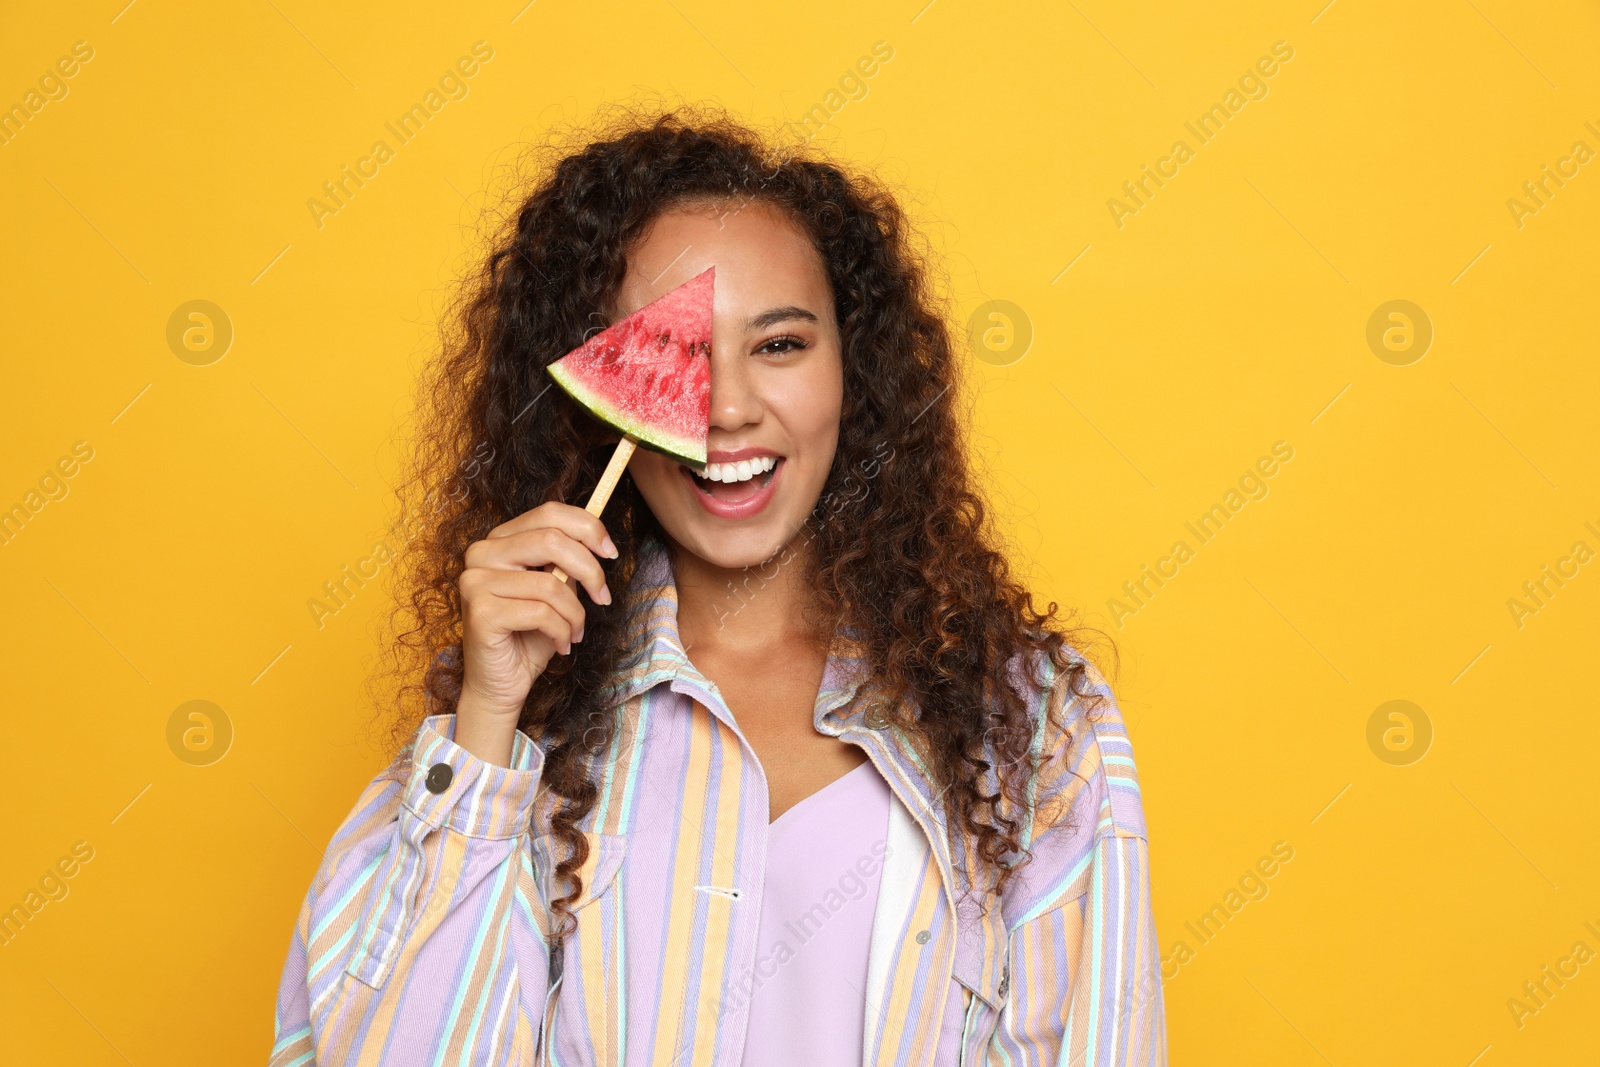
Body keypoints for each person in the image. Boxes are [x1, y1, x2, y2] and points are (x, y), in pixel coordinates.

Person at [268, 105, 1167, 1066]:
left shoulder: (1026, 719)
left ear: (853, 375)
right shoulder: (530, 718)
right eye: (673, 356)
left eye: (779, 345)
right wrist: (490, 719)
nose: (728, 409)